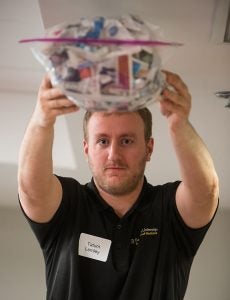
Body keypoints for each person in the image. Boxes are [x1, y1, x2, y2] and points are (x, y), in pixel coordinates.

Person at [18, 70, 219, 300]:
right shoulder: (68, 204)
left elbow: (206, 192)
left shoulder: (169, 210)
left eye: (126, 141)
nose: (114, 154)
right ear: (87, 150)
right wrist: (42, 120)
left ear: (149, 148)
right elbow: (30, 190)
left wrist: (179, 124)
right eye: (103, 141)